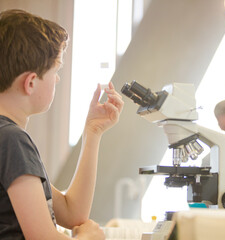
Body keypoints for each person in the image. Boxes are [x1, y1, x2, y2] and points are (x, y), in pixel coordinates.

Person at [0, 9, 124, 239]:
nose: (57, 78)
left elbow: (71, 212)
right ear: (30, 82)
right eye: (55, 71)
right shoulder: (12, 140)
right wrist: (89, 238)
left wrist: (93, 132)